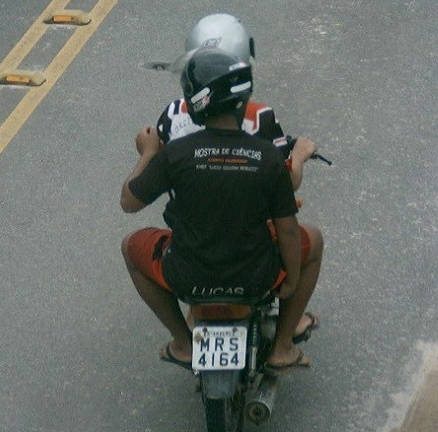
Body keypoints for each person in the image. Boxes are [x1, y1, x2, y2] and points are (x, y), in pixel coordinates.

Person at [121, 48, 323, 372]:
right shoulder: (267, 158)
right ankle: (283, 347)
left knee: (130, 247)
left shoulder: (175, 154)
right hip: (258, 278)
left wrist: (147, 152)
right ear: (243, 102)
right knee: (314, 238)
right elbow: (286, 229)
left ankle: (184, 344)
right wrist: (290, 280)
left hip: (187, 278)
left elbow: (128, 202)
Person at [155, 13, 320, 338]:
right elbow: (288, 183)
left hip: (191, 244)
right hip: (248, 250)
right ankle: (285, 340)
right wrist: (299, 155)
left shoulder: (171, 117)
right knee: (306, 239)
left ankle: (191, 321)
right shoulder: (259, 118)